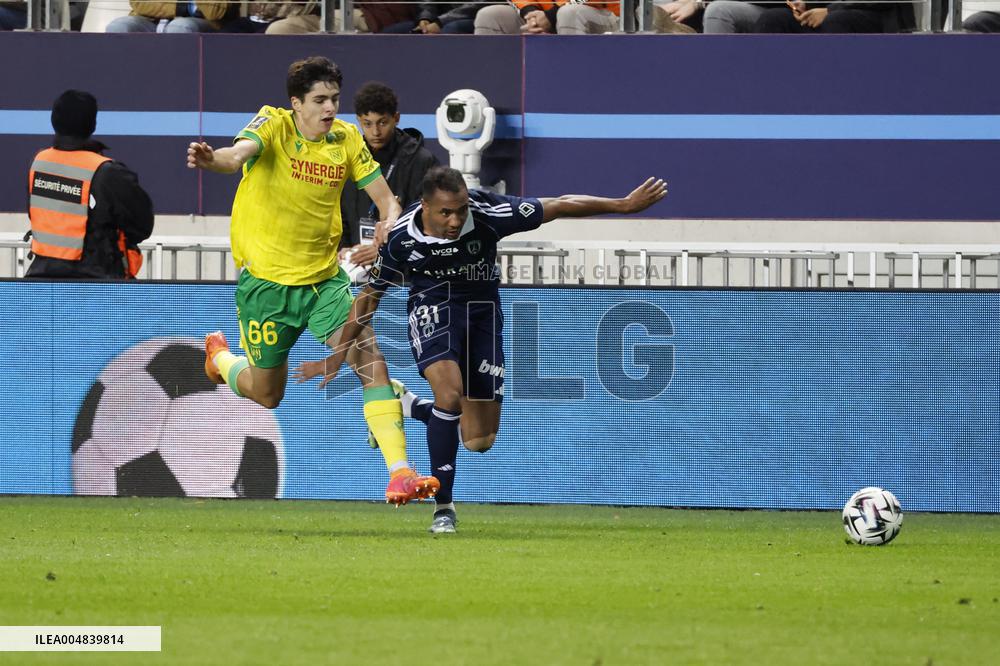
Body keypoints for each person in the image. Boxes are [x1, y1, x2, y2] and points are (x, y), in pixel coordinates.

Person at [293, 167, 668, 533]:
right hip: (432, 305)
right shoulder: (400, 238)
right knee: (450, 391)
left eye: (460, 210)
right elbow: (369, 298)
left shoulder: (488, 213)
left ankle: (411, 405)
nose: (455, 220)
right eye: (445, 212)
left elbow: (559, 204)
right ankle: (444, 508)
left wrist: (622, 205)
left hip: (483, 314)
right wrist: (337, 356)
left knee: (478, 441)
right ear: (424, 206)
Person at [186, 56, 438, 507]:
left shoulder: (345, 139)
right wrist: (212, 160)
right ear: (296, 103)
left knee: (369, 356)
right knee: (267, 395)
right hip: (266, 288)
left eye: (334, 100)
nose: (329, 109)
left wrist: (388, 222)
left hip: (324, 283)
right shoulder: (274, 125)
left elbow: (386, 200)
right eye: (319, 100)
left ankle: (400, 472)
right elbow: (235, 156)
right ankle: (220, 359)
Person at [26, 90, 153, 280]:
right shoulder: (108, 173)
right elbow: (142, 225)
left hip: (42, 282)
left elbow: (36, 214)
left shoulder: (40, 163)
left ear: (53, 121)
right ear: (92, 124)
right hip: (96, 285)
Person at [339, 82, 438, 280]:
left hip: (406, 277)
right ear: (358, 121)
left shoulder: (421, 162)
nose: (375, 131)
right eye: (367, 123)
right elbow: (339, 215)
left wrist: (386, 253)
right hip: (355, 271)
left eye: (382, 122)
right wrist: (342, 249)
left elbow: (430, 225)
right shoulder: (349, 159)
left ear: (396, 118)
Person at [751, 0, 915, 33]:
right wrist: (806, 4)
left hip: (879, 17)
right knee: (772, 19)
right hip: (826, 14)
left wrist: (830, 10)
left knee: (836, 20)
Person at [105, 0, 236, 32]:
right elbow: (140, 3)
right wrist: (181, 7)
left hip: (201, 23)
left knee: (179, 28)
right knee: (118, 26)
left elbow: (216, 10)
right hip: (150, 20)